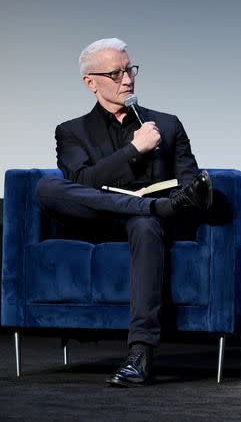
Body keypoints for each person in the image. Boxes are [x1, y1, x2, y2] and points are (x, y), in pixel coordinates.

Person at [35, 38, 214, 387]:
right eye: (115, 73)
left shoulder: (167, 124)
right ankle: (150, 207)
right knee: (46, 187)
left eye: (129, 69)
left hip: (150, 225)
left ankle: (140, 353)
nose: (127, 79)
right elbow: (83, 182)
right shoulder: (71, 131)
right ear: (91, 82)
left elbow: (192, 187)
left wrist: (162, 204)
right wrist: (135, 149)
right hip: (97, 221)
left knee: (145, 223)